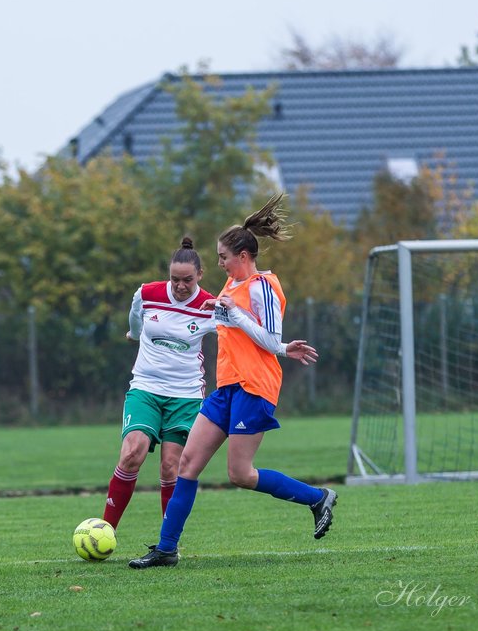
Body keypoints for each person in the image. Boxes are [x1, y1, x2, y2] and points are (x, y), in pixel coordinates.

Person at [129, 193, 337, 569]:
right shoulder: (230, 288)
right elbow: (257, 337)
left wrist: (242, 320)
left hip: (254, 387)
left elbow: (267, 338)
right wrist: (233, 318)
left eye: (223, 256)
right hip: (227, 387)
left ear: (243, 256)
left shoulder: (263, 286)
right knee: (187, 464)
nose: (219, 262)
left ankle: (316, 497)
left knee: (240, 473)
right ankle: (166, 549)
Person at [100, 237, 217, 530]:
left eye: (187, 280)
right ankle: (104, 531)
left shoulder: (210, 305)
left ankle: (167, 543)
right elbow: (135, 318)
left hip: (186, 395)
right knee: (131, 454)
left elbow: (242, 331)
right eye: (175, 279)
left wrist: (279, 347)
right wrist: (135, 334)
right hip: (146, 388)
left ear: (200, 275)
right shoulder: (147, 293)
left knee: (170, 467)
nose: (180, 286)